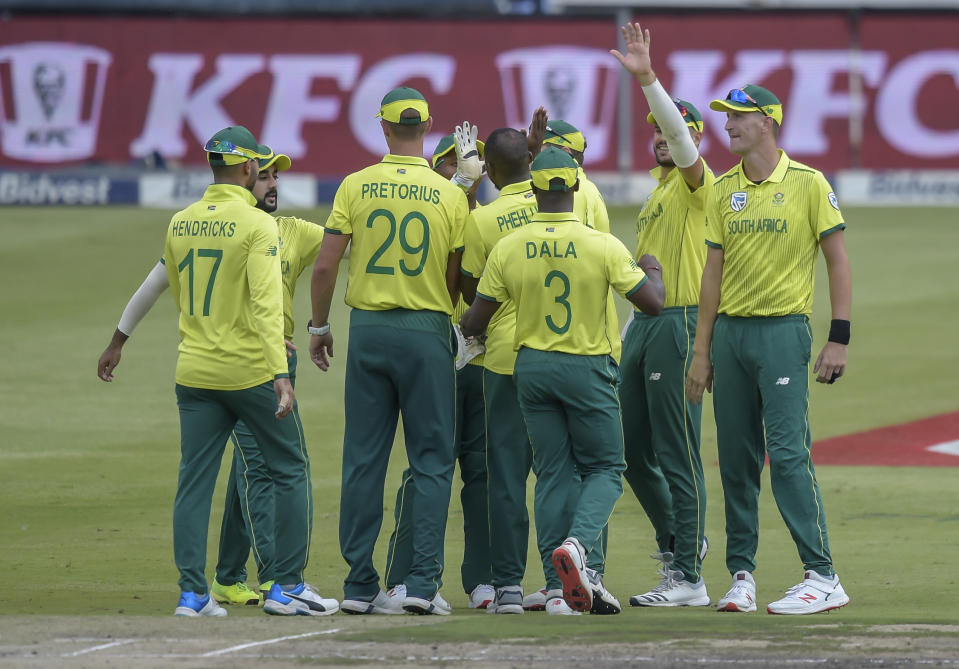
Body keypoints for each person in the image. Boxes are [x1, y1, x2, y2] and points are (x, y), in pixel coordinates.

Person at [97, 149, 328, 611]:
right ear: (247, 172)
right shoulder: (258, 226)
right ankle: (287, 587)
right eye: (265, 173)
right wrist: (280, 374)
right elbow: (265, 305)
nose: (272, 181)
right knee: (289, 469)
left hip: (195, 372)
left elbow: (153, 284)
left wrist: (118, 340)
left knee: (195, 480)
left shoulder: (182, 221)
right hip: (251, 370)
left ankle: (193, 593)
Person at [460, 148, 666, 615]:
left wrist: (470, 329)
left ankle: (556, 590)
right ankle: (577, 547)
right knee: (607, 468)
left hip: (530, 367)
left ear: (533, 189)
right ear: (575, 187)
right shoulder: (601, 244)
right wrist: (652, 268)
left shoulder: (509, 246)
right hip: (585, 366)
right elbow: (653, 304)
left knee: (551, 472)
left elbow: (475, 320)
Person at [686, 84, 852, 615]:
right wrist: (702, 349)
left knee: (785, 455)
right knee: (735, 460)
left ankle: (822, 575)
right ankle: (742, 576)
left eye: (739, 116)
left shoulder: (807, 183)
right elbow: (712, 274)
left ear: (768, 121)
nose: (728, 124)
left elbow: (838, 261)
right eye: (726, 116)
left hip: (783, 334)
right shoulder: (723, 189)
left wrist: (839, 336)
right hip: (731, 336)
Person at [309, 87, 469, 616]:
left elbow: (328, 264)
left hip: (369, 330)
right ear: (427, 127)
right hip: (425, 331)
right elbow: (453, 278)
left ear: (383, 127)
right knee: (431, 459)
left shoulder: (355, 185)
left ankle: (358, 586)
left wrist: (318, 326)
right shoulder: (449, 194)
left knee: (363, 459)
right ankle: (421, 583)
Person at [609, 21, 713, 607]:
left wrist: (649, 81)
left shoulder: (700, 184)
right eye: (653, 132)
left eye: (669, 131)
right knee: (626, 450)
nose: (659, 137)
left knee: (676, 448)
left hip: (678, 323)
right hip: (644, 327)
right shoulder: (656, 193)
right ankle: (678, 544)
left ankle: (689, 576)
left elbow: (680, 136)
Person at [383, 129, 495, 611]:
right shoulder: (434, 210)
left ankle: (485, 580)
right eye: (453, 162)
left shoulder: (486, 218)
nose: (462, 169)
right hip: (436, 356)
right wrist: (463, 191)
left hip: (482, 360)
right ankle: (404, 579)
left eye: (470, 164)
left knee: (484, 471)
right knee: (427, 469)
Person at [459, 127, 545, 614]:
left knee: (506, 476)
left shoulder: (485, 220)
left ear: (489, 171)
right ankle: (563, 582)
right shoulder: (565, 201)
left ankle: (508, 587)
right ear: (532, 162)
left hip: (505, 358)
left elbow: (473, 293)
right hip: (563, 352)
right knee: (559, 473)